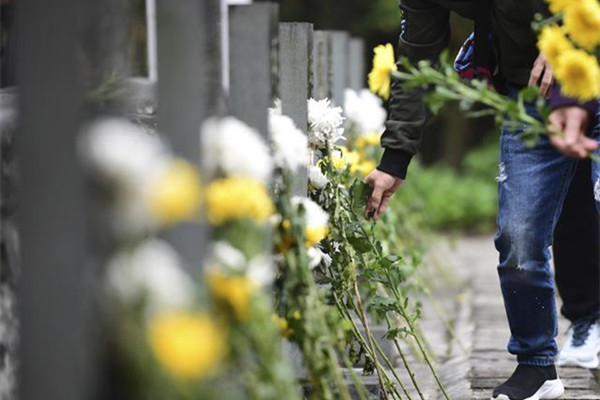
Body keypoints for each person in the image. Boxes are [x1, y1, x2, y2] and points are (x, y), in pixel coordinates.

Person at [364, 0, 600, 399]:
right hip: (533, 93)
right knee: (518, 233)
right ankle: (537, 364)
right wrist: (394, 160)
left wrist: (569, 40)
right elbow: (416, 63)